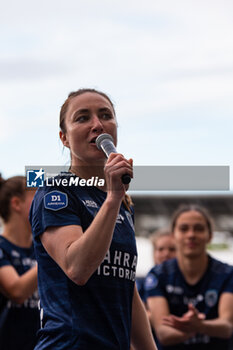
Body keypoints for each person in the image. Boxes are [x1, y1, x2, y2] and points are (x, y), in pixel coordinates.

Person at [29, 88, 157, 349]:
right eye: (82, 118)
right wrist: (112, 199)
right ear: (64, 138)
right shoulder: (57, 191)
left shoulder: (122, 203)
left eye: (105, 115)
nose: (97, 125)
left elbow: (127, 291)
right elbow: (77, 268)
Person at [145, 204, 233, 349]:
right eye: (184, 229)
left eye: (199, 229)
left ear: (210, 235)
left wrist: (199, 325)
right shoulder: (158, 275)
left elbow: (227, 326)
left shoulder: (227, 274)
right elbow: (163, 333)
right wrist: (197, 327)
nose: (191, 235)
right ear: (173, 235)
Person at [0, 175, 40, 350]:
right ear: (16, 204)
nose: (43, 203)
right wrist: (52, 257)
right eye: (36, 197)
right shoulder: (2, 247)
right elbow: (16, 290)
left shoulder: (40, 248)